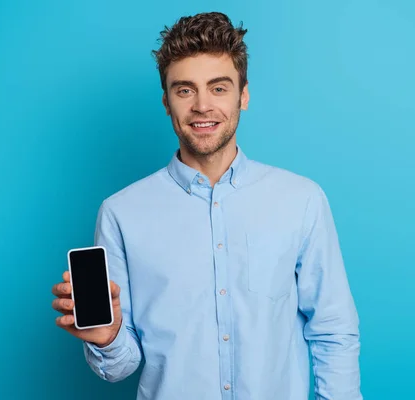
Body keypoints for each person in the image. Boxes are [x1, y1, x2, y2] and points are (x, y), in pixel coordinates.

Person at [52, 11, 362, 400]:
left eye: (218, 88)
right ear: (167, 101)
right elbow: (120, 367)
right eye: (185, 90)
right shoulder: (121, 213)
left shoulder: (301, 200)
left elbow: (334, 331)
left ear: (243, 95)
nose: (202, 106)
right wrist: (108, 337)